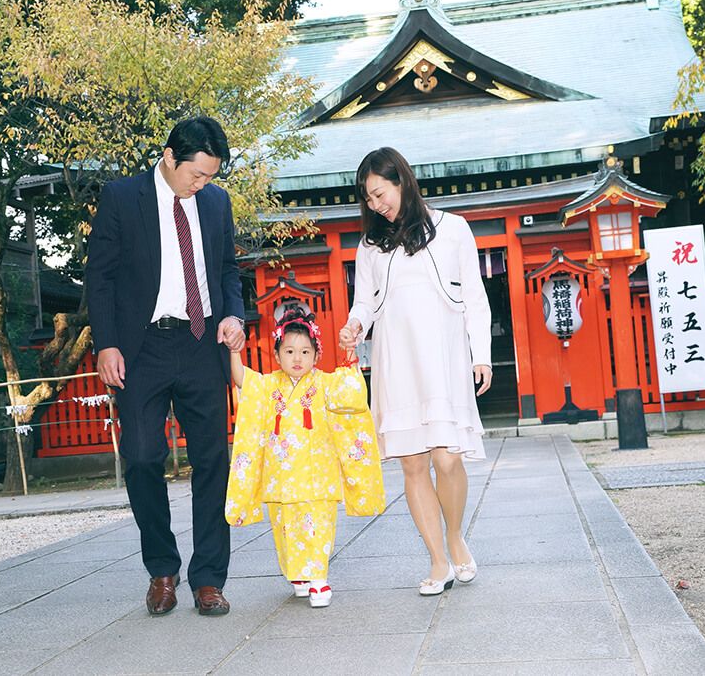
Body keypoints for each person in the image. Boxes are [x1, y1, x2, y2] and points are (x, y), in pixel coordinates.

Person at [86, 116, 246, 617]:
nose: (202, 186)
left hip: (201, 345)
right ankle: (162, 569)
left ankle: (208, 579)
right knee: (141, 457)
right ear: (170, 157)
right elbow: (101, 278)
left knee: (212, 462)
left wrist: (234, 315)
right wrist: (107, 344)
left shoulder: (216, 203)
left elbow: (226, 270)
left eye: (210, 178)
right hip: (141, 348)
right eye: (196, 175)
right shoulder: (121, 197)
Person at [338, 147, 492, 595]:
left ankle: (456, 534)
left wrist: (479, 354)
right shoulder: (369, 246)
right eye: (367, 199)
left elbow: (476, 298)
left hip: (442, 356)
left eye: (379, 193)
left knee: (447, 457)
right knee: (412, 463)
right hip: (396, 358)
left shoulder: (453, 229)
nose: (375, 205)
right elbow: (364, 303)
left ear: (401, 180)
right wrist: (354, 326)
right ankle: (438, 560)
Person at [226, 305, 385, 607]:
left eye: (304, 352)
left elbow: (352, 395)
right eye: (289, 352)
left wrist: (350, 355)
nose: (297, 359)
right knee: (285, 528)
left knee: (317, 527)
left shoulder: (324, 384)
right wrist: (235, 351)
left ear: (316, 354)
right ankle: (298, 574)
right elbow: (243, 381)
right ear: (277, 355)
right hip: (282, 480)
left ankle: (319, 579)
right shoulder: (269, 385)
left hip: (317, 478)